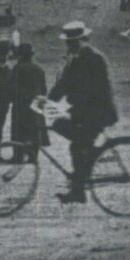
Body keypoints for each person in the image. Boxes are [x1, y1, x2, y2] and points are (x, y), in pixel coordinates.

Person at [47, 21, 118, 202]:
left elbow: (64, 86)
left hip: (97, 112)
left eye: (73, 42)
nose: (69, 45)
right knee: (70, 136)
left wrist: (45, 104)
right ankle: (84, 171)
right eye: (68, 42)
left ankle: (79, 187)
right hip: (88, 111)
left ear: (82, 40)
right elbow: (64, 86)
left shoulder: (87, 58)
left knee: (77, 144)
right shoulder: (81, 57)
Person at [10, 42, 48, 153]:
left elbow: (11, 89)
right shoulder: (39, 70)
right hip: (36, 107)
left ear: (20, 56)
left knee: (19, 133)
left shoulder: (17, 69)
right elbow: (44, 91)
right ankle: (33, 156)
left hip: (21, 107)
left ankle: (18, 155)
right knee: (35, 131)